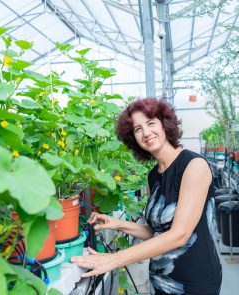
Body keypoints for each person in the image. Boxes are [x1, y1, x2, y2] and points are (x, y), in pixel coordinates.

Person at [70, 98, 222, 294]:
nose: (146, 132)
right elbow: (158, 232)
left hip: (195, 281)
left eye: (151, 123)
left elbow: (179, 235)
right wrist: (119, 224)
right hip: (161, 279)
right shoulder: (153, 176)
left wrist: (114, 259)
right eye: (137, 129)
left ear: (165, 124)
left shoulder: (193, 165)